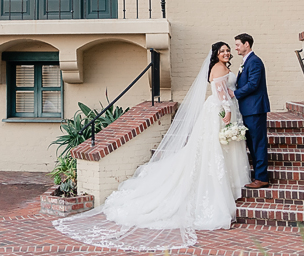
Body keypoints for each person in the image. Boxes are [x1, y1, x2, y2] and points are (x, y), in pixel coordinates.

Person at [53, 42, 251, 250]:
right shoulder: (218, 68)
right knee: (214, 149)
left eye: (228, 50)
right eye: (222, 51)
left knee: (220, 148)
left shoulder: (226, 67)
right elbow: (220, 92)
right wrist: (227, 111)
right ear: (216, 55)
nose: (226, 53)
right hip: (219, 112)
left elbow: (226, 89)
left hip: (221, 109)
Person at [232, 33, 270, 188]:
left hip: (255, 109)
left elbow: (253, 84)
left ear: (246, 44)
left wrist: (234, 93)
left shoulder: (254, 61)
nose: (236, 48)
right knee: (252, 143)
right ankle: (258, 176)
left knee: (258, 143)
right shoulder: (246, 61)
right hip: (248, 109)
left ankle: (262, 178)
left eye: (238, 45)